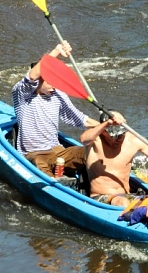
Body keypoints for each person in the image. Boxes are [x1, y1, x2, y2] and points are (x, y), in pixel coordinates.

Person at [12, 41, 99, 177]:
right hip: (33, 153)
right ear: (39, 81)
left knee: (91, 153)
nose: (54, 85)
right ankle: (55, 185)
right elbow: (32, 77)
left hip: (57, 151)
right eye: (49, 81)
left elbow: (79, 118)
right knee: (39, 163)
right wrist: (56, 51)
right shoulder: (22, 94)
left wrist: (106, 125)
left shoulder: (58, 94)